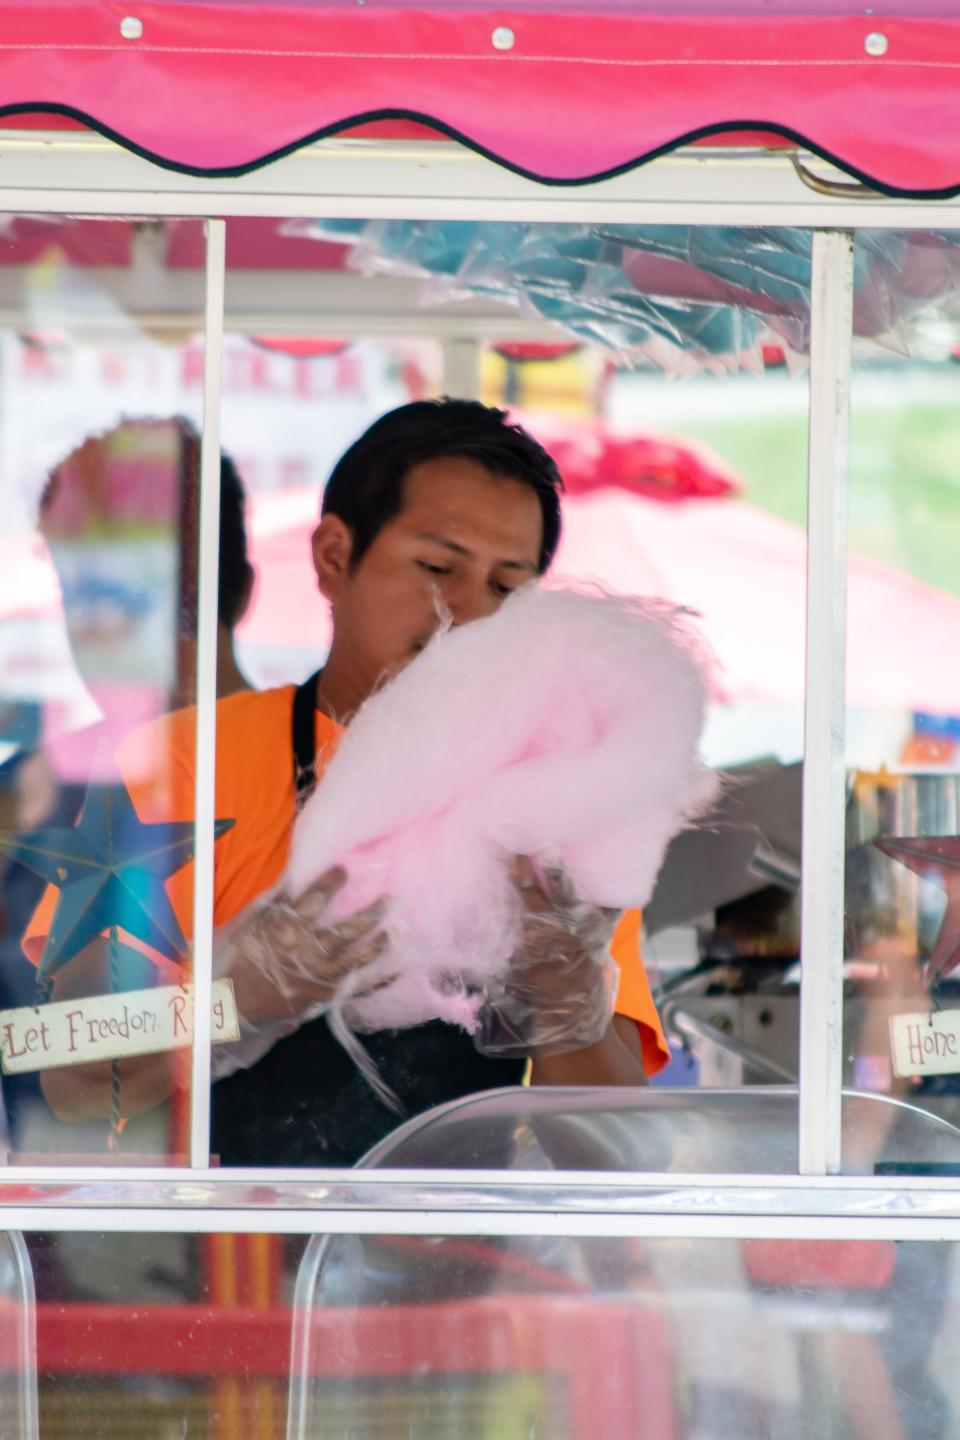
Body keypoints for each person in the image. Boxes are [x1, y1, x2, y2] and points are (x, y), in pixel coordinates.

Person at [26, 399, 670, 1165]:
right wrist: (230, 996)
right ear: (334, 555)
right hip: (222, 1267)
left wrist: (567, 1006)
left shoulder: (560, 809)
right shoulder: (177, 766)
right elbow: (58, 1064)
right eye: (436, 568)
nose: (468, 613)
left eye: (507, 588)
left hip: (465, 1269)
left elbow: (611, 1153)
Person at [1, 417, 254, 1153]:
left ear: (228, 591)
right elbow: (39, 1052)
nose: (99, 624)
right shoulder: (24, 806)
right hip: (49, 1227)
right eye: (79, 585)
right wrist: (238, 1002)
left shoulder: (318, 782)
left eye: (130, 586)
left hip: (284, 1231)